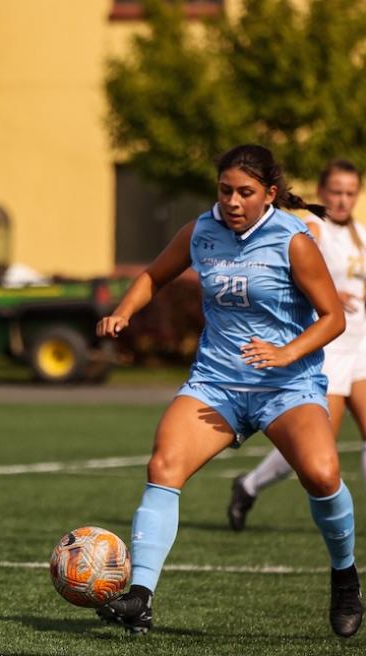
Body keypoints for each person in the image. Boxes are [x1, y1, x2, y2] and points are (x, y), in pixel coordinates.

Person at [95, 145, 361, 638]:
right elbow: (154, 275)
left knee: (323, 476)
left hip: (287, 385)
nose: (233, 201)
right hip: (216, 383)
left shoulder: (293, 239)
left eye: (246, 192)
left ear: (270, 194)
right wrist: (124, 312)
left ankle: (345, 577)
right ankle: (141, 596)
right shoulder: (201, 231)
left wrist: (285, 353)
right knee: (163, 467)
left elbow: (333, 317)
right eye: (225, 190)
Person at [228, 160, 366, 531]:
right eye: (336, 191)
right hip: (328, 348)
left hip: (360, 343)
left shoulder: (359, 234)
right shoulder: (313, 228)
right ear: (322, 191)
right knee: (316, 446)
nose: (342, 199)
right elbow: (298, 273)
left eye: (350, 193)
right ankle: (249, 485)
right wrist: (329, 293)